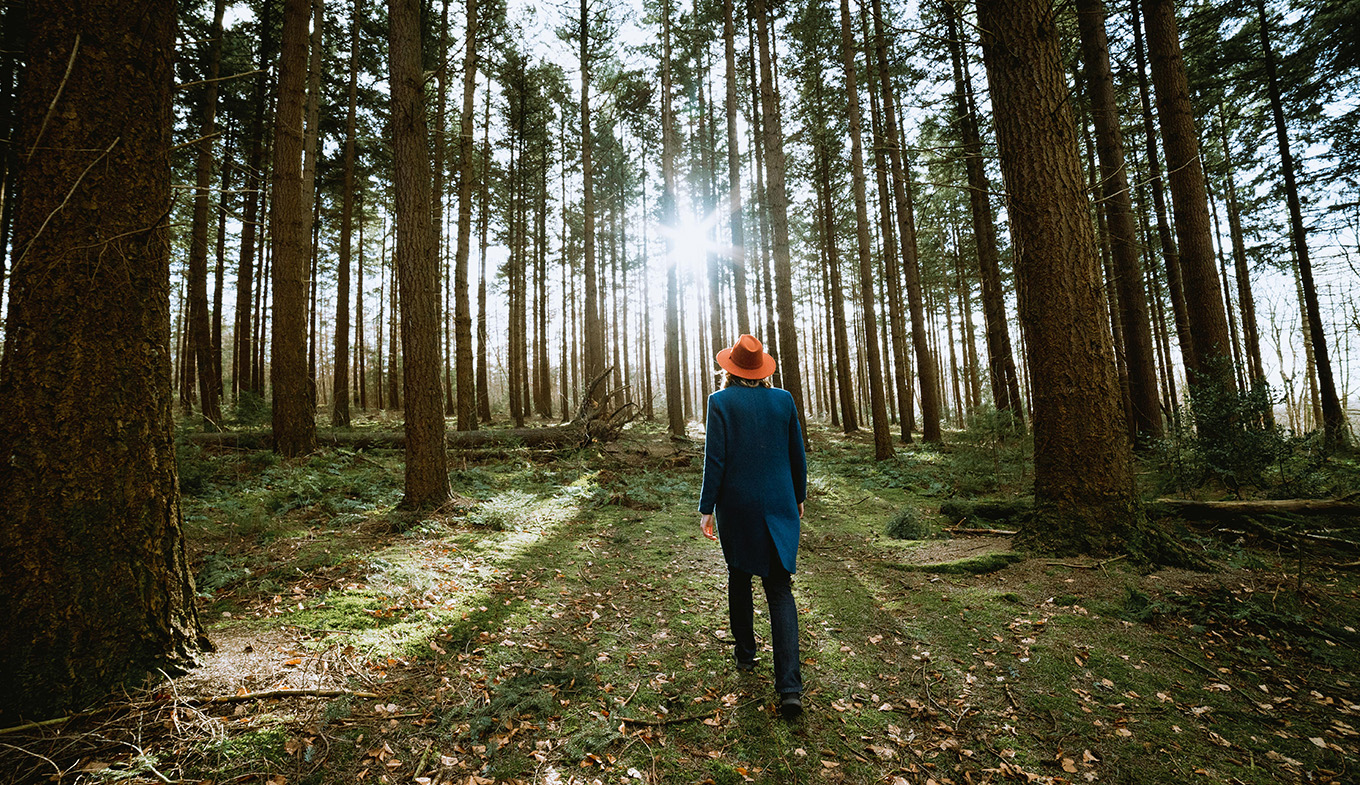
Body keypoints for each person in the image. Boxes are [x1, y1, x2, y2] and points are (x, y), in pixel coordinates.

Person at [698, 334, 808, 719]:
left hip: (738, 506)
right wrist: (799, 496)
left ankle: (746, 656)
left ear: (730, 369)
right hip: (780, 504)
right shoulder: (784, 400)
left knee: (739, 575)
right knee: (780, 588)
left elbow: (716, 460)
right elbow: (798, 454)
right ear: (761, 370)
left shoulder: (720, 402)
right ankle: (790, 689)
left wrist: (706, 508)